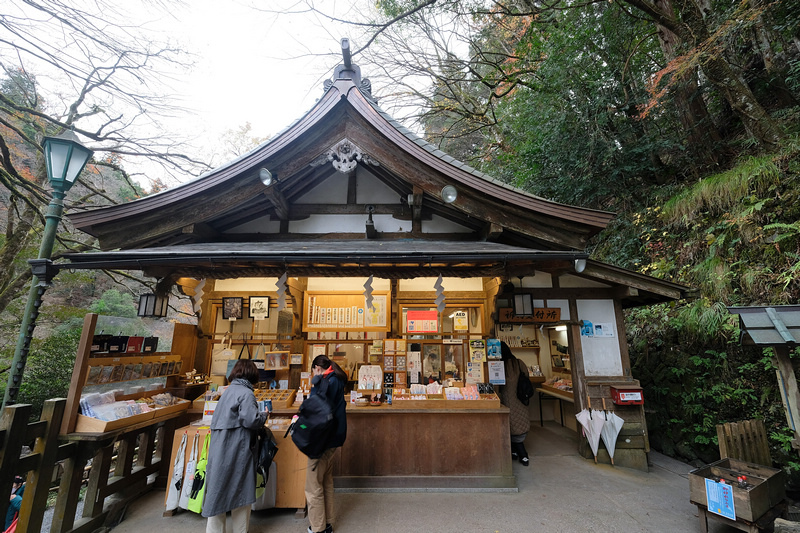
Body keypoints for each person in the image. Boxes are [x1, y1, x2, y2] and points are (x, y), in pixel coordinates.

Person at [202, 359, 268, 533]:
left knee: (218, 493)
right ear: (251, 374)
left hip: (220, 449)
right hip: (237, 449)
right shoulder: (246, 394)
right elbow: (250, 420)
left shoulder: (228, 391)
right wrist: (263, 415)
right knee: (241, 494)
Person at [305, 355, 347, 533]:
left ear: (317, 368)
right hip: (335, 437)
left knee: (313, 486)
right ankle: (328, 522)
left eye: (313, 370)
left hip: (322, 439)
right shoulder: (336, 380)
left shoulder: (324, 383)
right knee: (327, 481)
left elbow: (314, 409)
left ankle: (318, 528)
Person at [497, 341, 531, 466]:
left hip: (506, 398)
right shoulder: (519, 362)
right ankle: (516, 451)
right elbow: (526, 376)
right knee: (518, 423)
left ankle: (522, 454)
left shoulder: (499, 364)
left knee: (511, 424)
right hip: (521, 399)